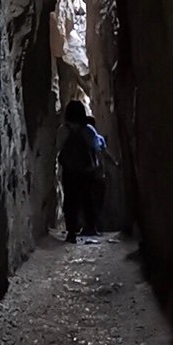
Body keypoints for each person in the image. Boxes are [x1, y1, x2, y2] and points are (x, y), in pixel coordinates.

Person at [57, 98, 108, 242]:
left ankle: (71, 231)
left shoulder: (63, 130)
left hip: (69, 171)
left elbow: (56, 149)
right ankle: (90, 226)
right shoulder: (88, 130)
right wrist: (99, 167)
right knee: (87, 199)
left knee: (70, 200)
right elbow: (96, 149)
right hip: (86, 171)